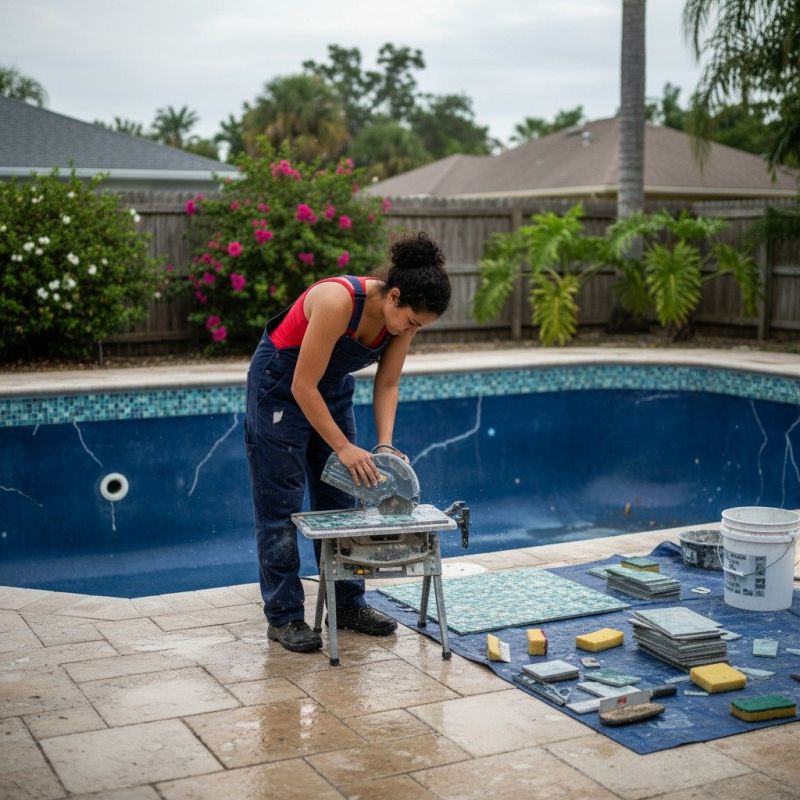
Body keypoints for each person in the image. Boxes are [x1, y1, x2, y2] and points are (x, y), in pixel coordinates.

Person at [244, 232, 451, 653]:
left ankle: (348, 604)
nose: (412, 330)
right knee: (280, 506)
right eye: (412, 321)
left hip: (332, 390)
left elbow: (388, 383)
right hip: (281, 388)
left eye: (420, 326)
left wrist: (385, 445)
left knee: (342, 502)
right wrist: (343, 447)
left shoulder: (400, 321)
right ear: (394, 296)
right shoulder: (338, 301)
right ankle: (284, 617)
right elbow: (302, 385)